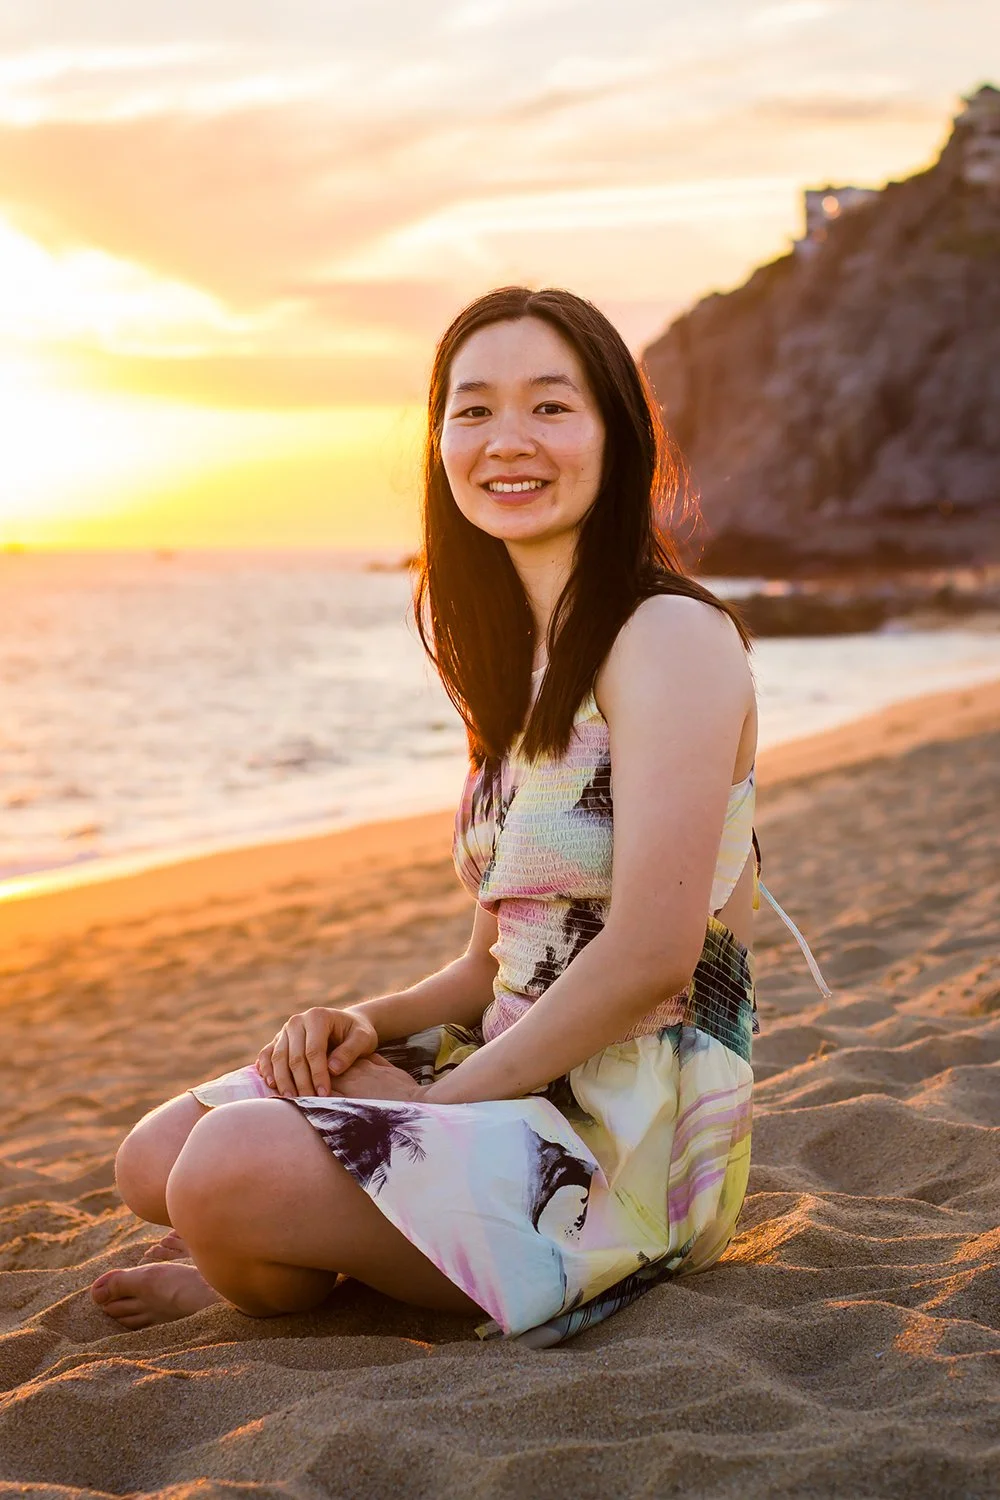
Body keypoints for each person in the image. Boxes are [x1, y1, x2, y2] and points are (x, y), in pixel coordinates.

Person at [90, 286, 828, 1345]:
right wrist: (363, 1023)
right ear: (439, 440)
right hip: (500, 1069)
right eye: (473, 410)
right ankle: (298, 1248)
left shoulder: (668, 638)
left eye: (549, 408)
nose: (506, 441)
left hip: (619, 1142)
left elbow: (652, 957)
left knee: (224, 1170)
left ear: (617, 436)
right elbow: (493, 963)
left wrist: (432, 1111)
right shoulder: (515, 670)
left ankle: (276, 1265)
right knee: (153, 1161)